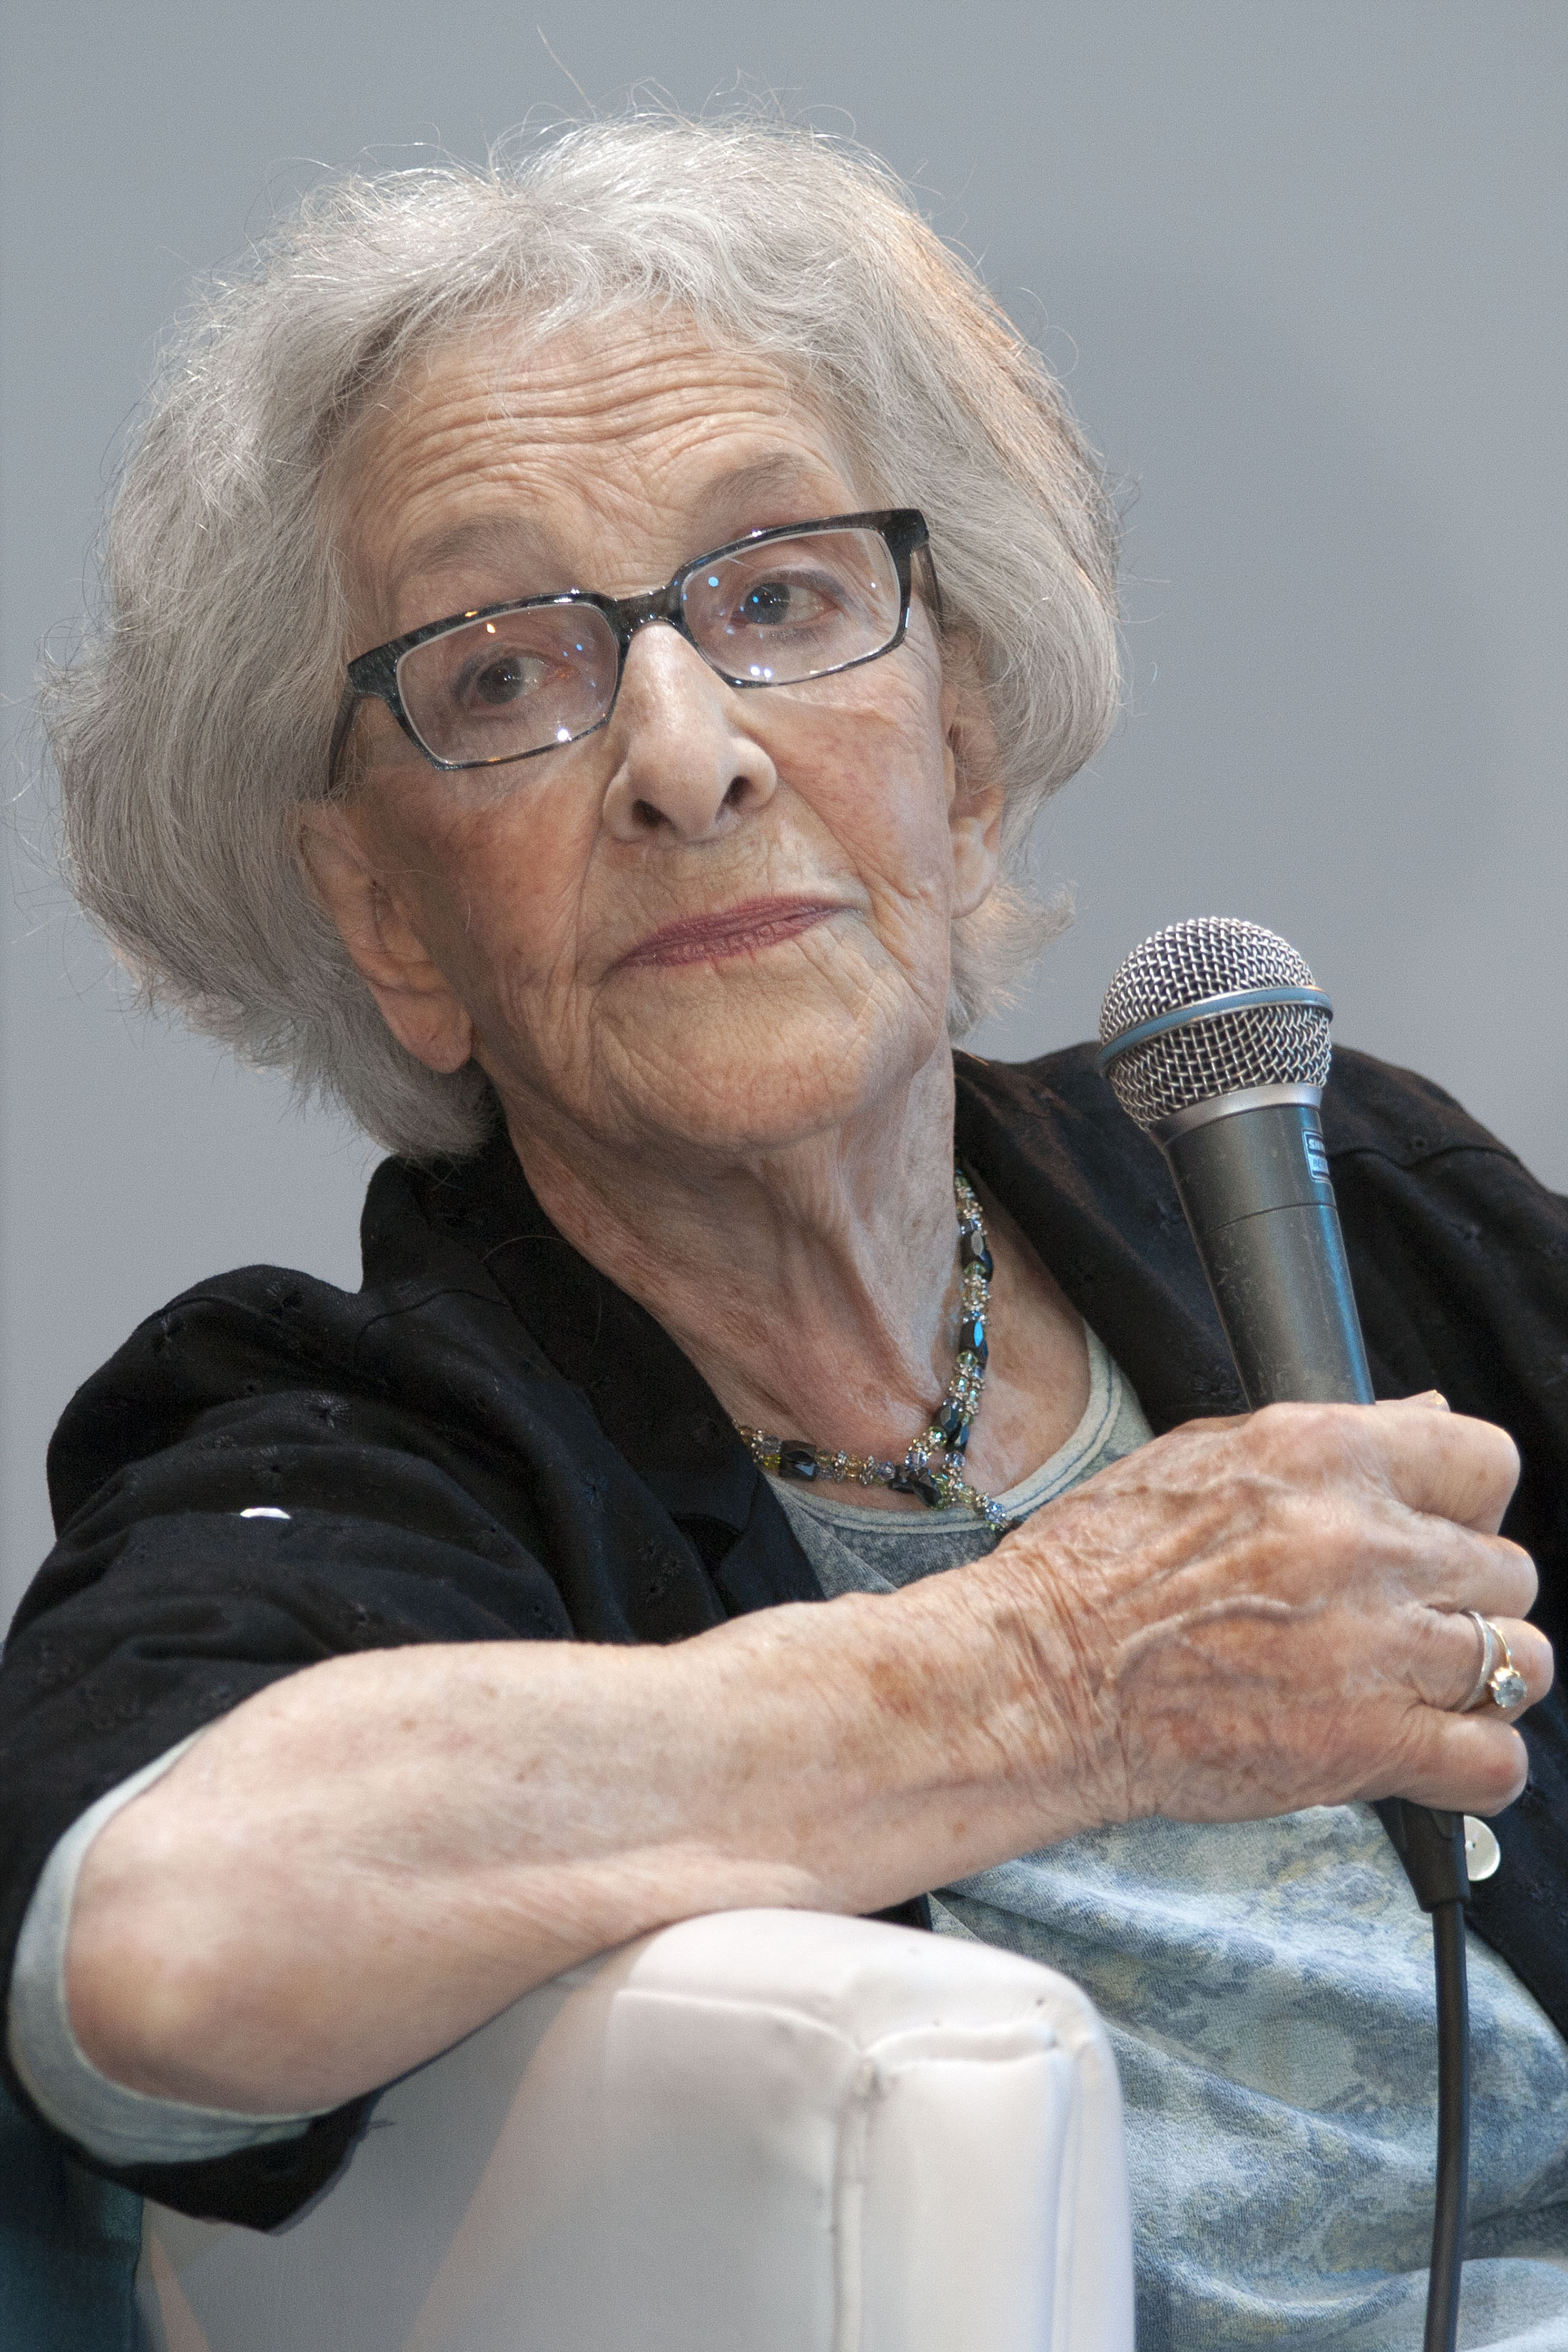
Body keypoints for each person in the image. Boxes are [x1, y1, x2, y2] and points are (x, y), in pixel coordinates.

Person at [2, 114, 1564, 2350]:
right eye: (503, 672)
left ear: (965, 736)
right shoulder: (371, 1437)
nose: (685, 748)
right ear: (383, 910)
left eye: (782, 599)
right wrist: (1052, 1672)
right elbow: (145, 1946)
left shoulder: (1338, 1195)